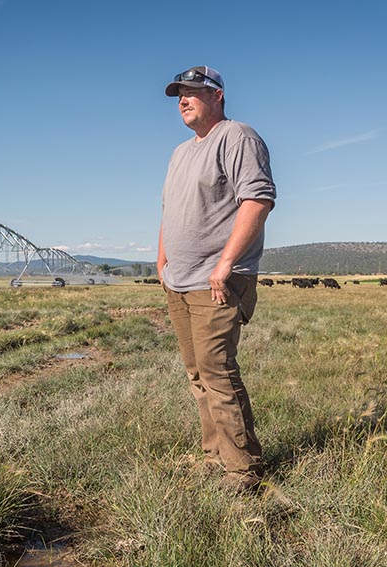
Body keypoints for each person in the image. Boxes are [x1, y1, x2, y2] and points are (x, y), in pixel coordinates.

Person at [157, 66, 276, 492]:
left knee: (217, 370)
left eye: (192, 92)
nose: (183, 100)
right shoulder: (180, 153)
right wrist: (162, 262)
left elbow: (257, 200)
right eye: (179, 95)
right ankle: (216, 454)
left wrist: (225, 263)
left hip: (219, 280)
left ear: (218, 95)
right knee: (196, 373)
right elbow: (168, 211)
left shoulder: (237, 136)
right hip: (180, 281)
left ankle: (243, 469)